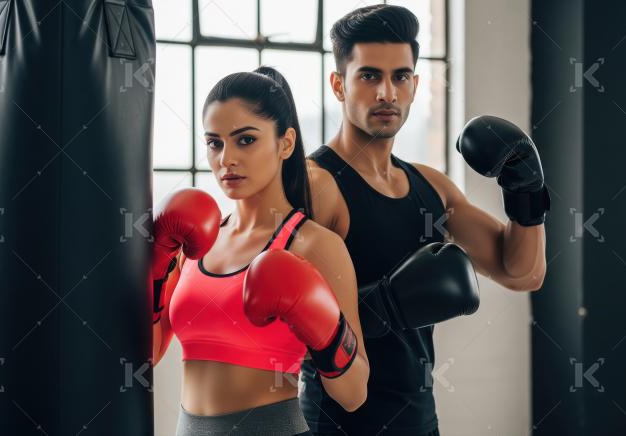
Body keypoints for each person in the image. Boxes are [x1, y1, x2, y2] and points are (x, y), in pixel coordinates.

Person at [300, 5, 548, 436]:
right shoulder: (317, 185)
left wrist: (526, 190)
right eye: (369, 76)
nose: (386, 94)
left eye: (400, 77)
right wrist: (381, 309)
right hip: (334, 425)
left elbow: (522, 272)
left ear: (414, 85)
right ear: (339, 85)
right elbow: (269, 307)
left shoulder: (431, 187)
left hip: (418, 420)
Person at [151, 66, 370, 436]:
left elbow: (354, 394)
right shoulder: (193, 239)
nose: (226, 159)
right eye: (214, 143)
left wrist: (325, 329)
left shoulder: (313, 245)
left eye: (245, 140)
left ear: (285, 143)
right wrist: (156, 262)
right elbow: (148, 354)